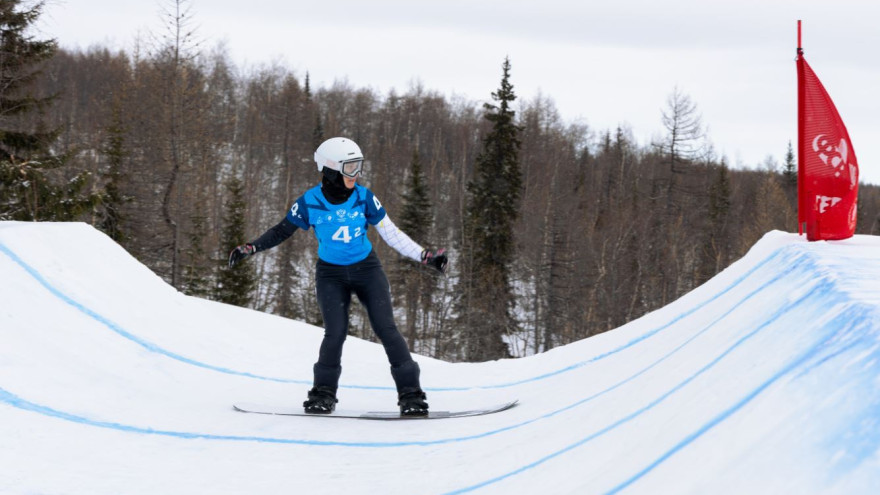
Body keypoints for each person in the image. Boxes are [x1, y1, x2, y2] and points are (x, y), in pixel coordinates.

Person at [228, 137, 448, 416]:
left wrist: (425, 256)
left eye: (359, 167)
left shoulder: (364, 197)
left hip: (367, 270)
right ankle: (322, 394)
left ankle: (411, 395)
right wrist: (252, 247)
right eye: (351, 168)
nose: (357, 175)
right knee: (335, 333)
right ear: (332, 170)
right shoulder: (310, 202)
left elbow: (391, 234)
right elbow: (281, 230)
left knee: (386, 329)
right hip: (330, 274)